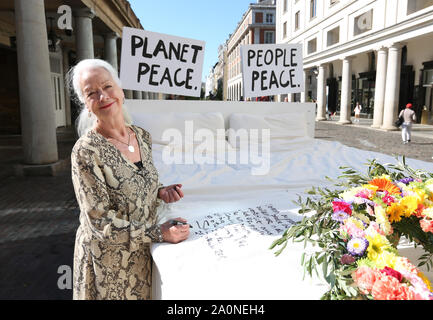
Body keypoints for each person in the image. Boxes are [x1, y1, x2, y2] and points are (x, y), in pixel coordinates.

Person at [67, 58, 190, 300]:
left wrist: (161, 192)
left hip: (142, 257)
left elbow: (137, 185)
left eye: (107, 86)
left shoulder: (142, 136)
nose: (103, 96)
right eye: (91, 93)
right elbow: (99, 223)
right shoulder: (85, 151)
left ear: (120, 90)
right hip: (109, 268)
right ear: (85, 104)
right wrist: (159, 233)